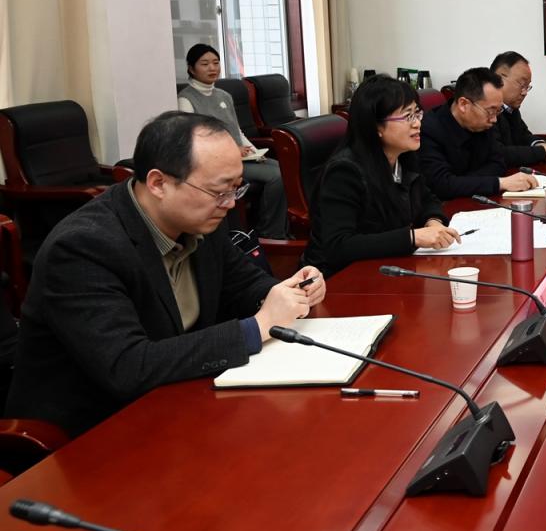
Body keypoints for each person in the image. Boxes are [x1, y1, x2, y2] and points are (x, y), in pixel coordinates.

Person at [5, 112, 325, 436]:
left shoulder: (201, 217)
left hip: (181, 401)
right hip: (90, 433)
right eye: (219, 191)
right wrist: (258, 327)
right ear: (158, 183)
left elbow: (241, 283)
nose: (230, 203)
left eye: (235, 189)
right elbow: (128, 366)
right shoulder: (83, 247)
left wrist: (290, 292)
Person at [303, 76, 460, 277]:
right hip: (338, 279)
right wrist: (413, 237)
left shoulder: (402, 156)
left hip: (386, 267)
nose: (417, 123)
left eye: (417, 113)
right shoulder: (344, 172)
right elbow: (338, 245)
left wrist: (433, 221)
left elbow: (427, 198)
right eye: (407, 116)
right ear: (376, 126)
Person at [176, 44, 287, 239]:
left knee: (284, 169)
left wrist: (254, 151)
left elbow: (237, 130)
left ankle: (276, 229)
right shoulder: (186, 99)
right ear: (191, 69)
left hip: (240, 157)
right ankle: (271, 233)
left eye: (215, 63)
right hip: (216, 164)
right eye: (205, 64)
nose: (212, 68)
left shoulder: (224, 95)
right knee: (277, 176)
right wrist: (233, 151)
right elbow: (193, 141)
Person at [417, 67, 538, 200]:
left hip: (475, 200)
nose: (494, 119)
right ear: (463, 104)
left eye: (498, 111)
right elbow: (441, 185)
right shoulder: (429, 130)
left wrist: (461, 182)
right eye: (490, 111)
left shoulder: (483, 123)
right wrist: (498, 183)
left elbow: (499, 163)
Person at [490, 51, 546, 167]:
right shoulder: (485, 110)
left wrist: (540, 144)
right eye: (521, 84)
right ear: (499, 79)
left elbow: (524, 136)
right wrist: (542, 152)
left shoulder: (510, 109)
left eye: (527, 86)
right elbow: (498, 153)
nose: (524, 93)